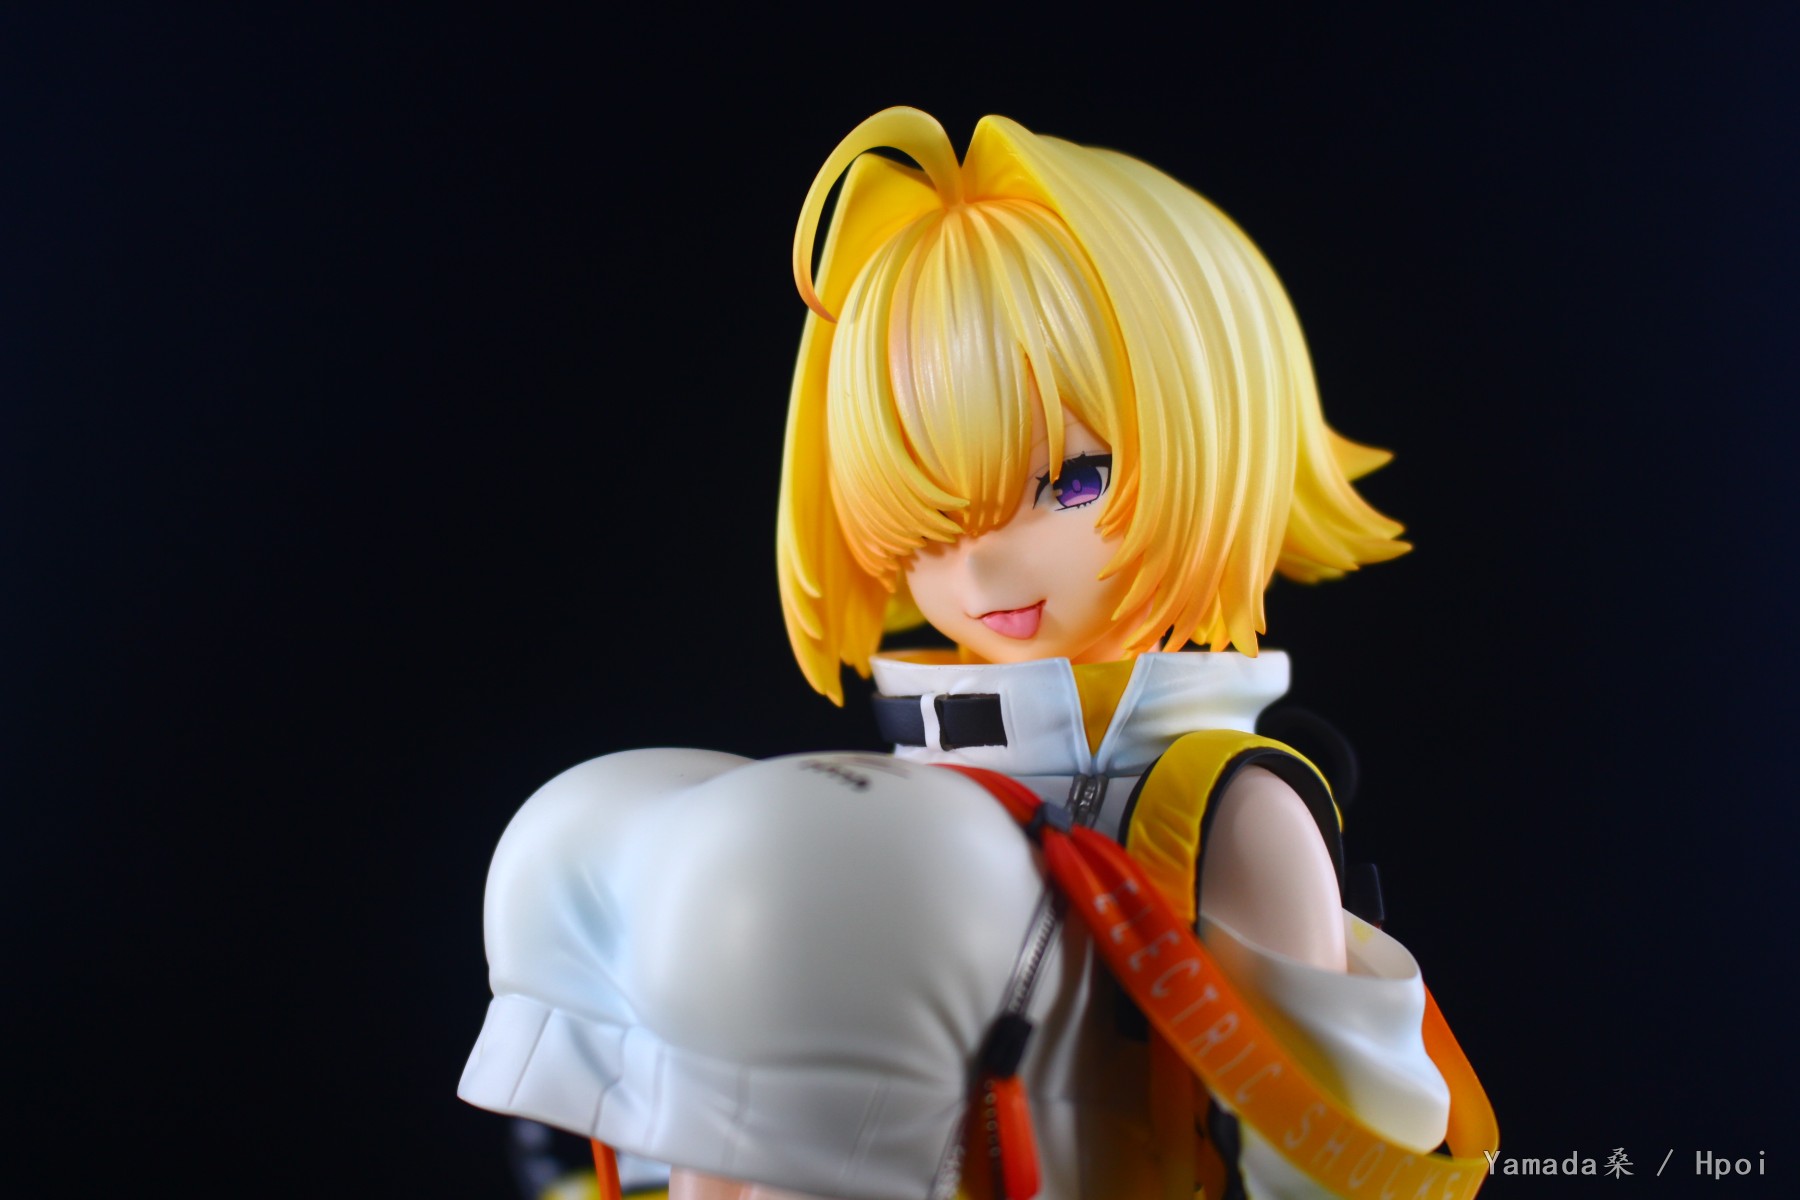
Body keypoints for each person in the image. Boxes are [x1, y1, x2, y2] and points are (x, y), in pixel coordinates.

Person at [460, 109, 1487, 1200]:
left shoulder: (1224, 817)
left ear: (1217, 436)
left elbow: (1323, 1155)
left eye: (1073, 480)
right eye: (928, 521)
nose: (983, 567)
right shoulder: (885, 800)